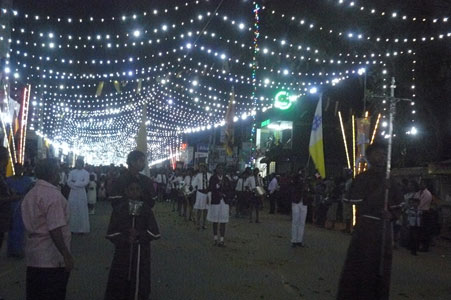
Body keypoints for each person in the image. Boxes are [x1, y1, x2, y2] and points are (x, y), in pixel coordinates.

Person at [336, 143, 402, 300]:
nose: (382, 157)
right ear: (370, 157)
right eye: (378, 153)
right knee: (361, 266)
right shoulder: (362, 178)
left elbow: (398, 207)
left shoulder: (390, 179)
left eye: (384, 154)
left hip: (384, 231)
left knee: (381, 269)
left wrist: (391, 215)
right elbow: (358, 202)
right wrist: (381, 189)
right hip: (366, 230)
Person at [21, 158, 74, 300]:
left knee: (35, 294)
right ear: (53, 173)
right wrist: (66, 254)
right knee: (52, 293)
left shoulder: (31, 193)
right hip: (50, 258)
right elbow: (55, 228)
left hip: (33, 256)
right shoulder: (53, 196)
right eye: (58, 171)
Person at [104, 176, 160, 300]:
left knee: (139, 280)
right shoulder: (119, 209)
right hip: (122, 252)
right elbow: (111, 233)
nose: (134, 192)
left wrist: (139, 235)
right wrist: (125, 238)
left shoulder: (146, 210)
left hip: (141, 253)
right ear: (126, 191)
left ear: (141, 191)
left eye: (137, 189)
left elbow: (155, 233)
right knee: (119, 280)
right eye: (131, 189)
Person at [5, 163, 33, 258]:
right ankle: (11, 250)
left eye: (20, 168)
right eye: (17, 168)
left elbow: (30, 192)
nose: (18, 170)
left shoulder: (27, 180)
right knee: (12, 229)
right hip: (12, 207)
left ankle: (18, 250)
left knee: (20, 229)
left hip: (22, 206)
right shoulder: (8, 181)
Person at [207, 164, 230, 247]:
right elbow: (210, 188)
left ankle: (222, 240)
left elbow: (230, 190)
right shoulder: (213, 178)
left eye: (222, 168)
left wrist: (226, 195)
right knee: (215, 221)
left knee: (223, 221)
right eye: (219, 168)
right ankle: (215, 238)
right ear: (216, 169)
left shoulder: (226, 179)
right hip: (216, 201)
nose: (220, 170)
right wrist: (217, 187)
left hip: (224, 202)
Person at [67, 159, 90, 234]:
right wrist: (77, 184)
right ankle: (72, 228)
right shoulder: (72, 172)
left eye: (79, 163)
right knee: (72, 209)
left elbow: (86, 182)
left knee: (81, 210)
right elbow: (68, 182)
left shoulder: (86, 173)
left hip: (81, 193)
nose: (78, 165)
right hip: (73, 192)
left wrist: (75, 183)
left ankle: (82, 229)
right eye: (77, 163)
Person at [290, 174, 309, 247]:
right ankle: (294, 240)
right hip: (296, 202)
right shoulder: (296, 182)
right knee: (295, 222)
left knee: (302, 222)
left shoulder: (306, 183)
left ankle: (299, 240)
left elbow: (309, 191)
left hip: (303, 203)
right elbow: (294, 189)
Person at [192, 164, 211, 230]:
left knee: (206, 210)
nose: (201, 169)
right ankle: (198, 223)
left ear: (205, 168)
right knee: (199, 209)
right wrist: (189, 190)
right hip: (200, 193)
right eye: (200, 168)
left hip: (207, 193)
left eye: (203, 168)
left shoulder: (209, 175)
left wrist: (209, 194)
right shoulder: (198, 175)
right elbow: (193, 184)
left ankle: (204, 223)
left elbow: (210, 185)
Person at [417, 182, 433, 252]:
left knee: (425, 231)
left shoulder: (427, 194)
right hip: (420, 212)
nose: (421, 185)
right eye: (420, 184)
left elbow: (421, 204)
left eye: (422, 184)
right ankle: (421, 245)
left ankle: (425, 247)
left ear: (425, 185)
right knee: (420, 230)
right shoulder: (419, 192)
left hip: (425, 212)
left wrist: (415, 207)